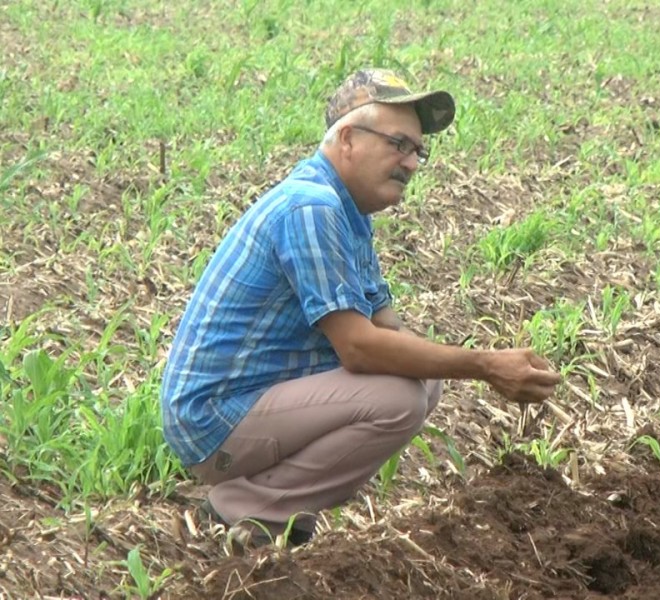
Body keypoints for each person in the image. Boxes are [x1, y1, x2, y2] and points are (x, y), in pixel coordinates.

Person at [160, 68, 561, 548]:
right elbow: (359, 348)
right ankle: (247, 511)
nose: (411, 163)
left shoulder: (348, 214)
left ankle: (271, 506)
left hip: (254, 408)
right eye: (399, 144)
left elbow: (386, 328)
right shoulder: (311, 208)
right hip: (215, 420)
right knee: (397, 400)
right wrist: (484, 365)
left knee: (423, 380)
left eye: (418, 151)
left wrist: (478, 362)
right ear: (347, 138)